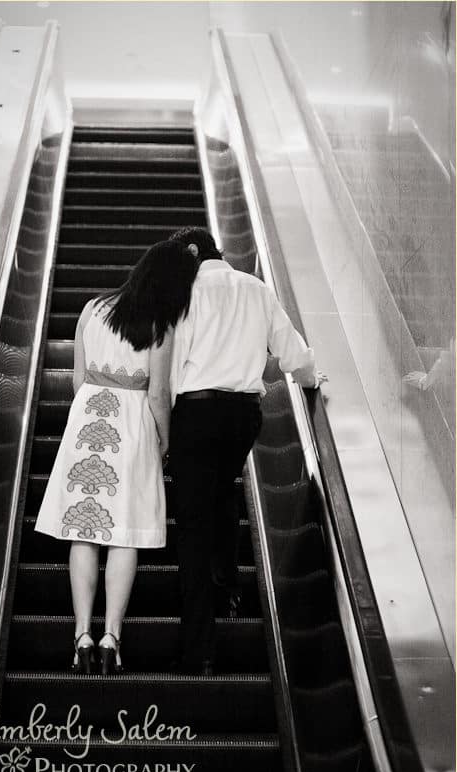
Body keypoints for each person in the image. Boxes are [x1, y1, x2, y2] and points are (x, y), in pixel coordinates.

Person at [35, 240, 200, 675]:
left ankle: (81, 634)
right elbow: (160, 395)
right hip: (133, 424)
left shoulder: (91, 309)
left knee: (84, 531)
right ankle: (112, 636)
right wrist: (164, 443)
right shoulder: (161, 323)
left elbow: (76, 379)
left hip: (87, 419)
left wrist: (91, 416)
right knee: (125, 534)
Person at [167, 227, 327, 674]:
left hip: (194, 414)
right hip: (242, 414)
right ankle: (229, 584)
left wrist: (163, 427)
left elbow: (171, 364)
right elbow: (294, 354)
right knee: (223, 490)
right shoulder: (256, 289)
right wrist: (313, 381)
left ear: (192, 256)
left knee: (193, 525)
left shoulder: (184, 294)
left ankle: (199, 651)